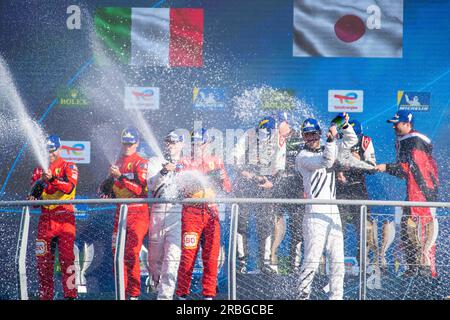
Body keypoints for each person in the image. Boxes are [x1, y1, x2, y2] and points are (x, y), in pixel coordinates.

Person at [295, 114, 357, 300]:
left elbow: (351, 140)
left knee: (337, 261)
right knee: (312, 261)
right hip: (315, 213)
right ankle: (302, 296)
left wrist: (344, 125)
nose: (312, 138)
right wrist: (331, 139)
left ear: (319, 133)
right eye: (307, 135)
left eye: (314, 134)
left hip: (333, 212)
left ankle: (336, 297)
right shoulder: (302, 157)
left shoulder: (328, 147)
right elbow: (326, 161)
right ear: (303, 137)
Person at [375, 110, 439, 278]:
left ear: (407, 124)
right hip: (413, 193)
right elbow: (405, 171)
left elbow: (412, 168)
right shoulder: (403, 140)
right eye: (393, 123)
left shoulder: (415, 140)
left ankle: (428, 271)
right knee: (406, 228)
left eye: (397, 123)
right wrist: (388, 168)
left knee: (423, 231)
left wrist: (386, 167)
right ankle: (413, 267)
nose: (394, 126)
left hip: (423, 193)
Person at [175, 128, 232, 300]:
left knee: (211, 256)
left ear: (207, 144)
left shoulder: (217, 162)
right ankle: (182, 295)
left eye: (200, 143)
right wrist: (203, 179)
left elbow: (227, 188)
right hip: (191, 213)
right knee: (188, 255)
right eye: (193, 144)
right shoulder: (184, 162)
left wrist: (221, 178)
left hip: (211, 213)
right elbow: (180, 187)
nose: (196, 147)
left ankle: (209, 295)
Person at [234, 115, 291, 274]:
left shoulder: (280, 140)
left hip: (265, 187)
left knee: (265, 223)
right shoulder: (249, 135)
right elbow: (235, 159)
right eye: (261, 134)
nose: (263, 138)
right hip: (246, 186)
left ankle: (265, 262)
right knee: (242, 223)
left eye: (267, 135)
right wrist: (248, 174)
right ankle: (241, 262)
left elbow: (280, 168)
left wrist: (271, 183)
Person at [98, 127, 150, 300]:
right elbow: (109, 190)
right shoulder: (116, 161)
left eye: (130, 143)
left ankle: (134, 295)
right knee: (116, 255)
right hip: (120, 213)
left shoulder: (141, 162)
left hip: (138, 213)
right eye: (125, 143)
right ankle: (123, 293)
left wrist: (120, 177)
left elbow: (140, 191)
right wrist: (106, 189)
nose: (127, 146)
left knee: (131, 253)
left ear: (137, 143)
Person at [29, 135, 78, 300]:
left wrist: (52, 179)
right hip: (45, 219)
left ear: (60, 149)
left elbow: (69, 188)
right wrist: (35, 193)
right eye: (47, 151)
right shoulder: (38, 170)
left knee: (67, 259)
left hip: (64, 216)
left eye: (53, 151)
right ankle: (45, 297)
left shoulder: (69, 165)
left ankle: (71, 296)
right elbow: (34, 202)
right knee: (43, 262)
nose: (50, 154)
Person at [147, 131, 184, 300]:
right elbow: (151, 185)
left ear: (181, 144)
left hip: (177, 213)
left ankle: (165, 296)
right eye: (168, 142)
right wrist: (163, 171)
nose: (171, 145)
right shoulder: (155, 161)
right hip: (158, 211)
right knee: (154, 259)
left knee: (172, 258)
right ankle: (155, 284)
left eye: (174, 142)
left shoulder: (186, 163)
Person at [336, 119, 379, 266]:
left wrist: (358, 161)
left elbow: (373, 168)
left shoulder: (365, 141)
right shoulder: (337, 140)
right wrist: (338, 170)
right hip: (339, 190)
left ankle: (363, 260)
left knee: (364, 226)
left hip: (357, 188)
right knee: (337, 227)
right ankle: (336, 261)